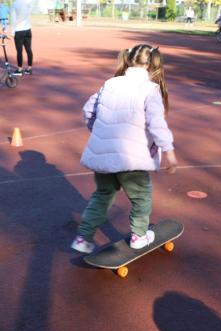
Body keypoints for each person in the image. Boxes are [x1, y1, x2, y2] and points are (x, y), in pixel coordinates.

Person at [71, 44, 178, 254]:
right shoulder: (150, 89)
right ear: (153, 64)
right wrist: (170, 152)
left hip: (103, 154)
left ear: (128, 60)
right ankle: (139, 235)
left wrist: (101, 132)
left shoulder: (110, 83)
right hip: (132, 158)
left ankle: (83, 237)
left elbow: (88, 110)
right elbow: (157, 123)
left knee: (102, 195)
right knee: (141, 197)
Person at [10, 0, 33, 75]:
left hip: (19, 30)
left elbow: (13, 19)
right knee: (29, 49)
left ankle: (20, 69)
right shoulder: (28, 2)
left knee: (19, 51)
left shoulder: (14, 4)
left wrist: (12, 32)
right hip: (28, 29)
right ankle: (29, 68)